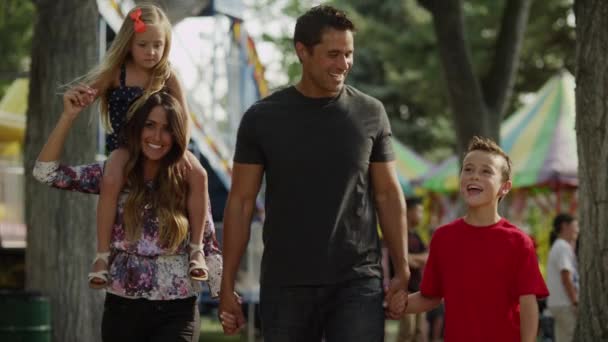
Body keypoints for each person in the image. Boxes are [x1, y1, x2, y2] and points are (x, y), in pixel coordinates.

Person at [218, 5, 409, 341]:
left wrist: (402, 267)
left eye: (349, 54)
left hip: (357, 280)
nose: (344, 64)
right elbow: (241, 202)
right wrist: (227, 281)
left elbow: (388, 195)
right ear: (302, 51)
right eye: (333, 54)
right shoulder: (262, 118)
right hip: (286, 283)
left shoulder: (370, 113)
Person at [33, 89, 223, 341]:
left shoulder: (188, 175)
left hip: (177, 309)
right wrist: (69, 116)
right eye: (150, 126)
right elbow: (46, 173)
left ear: (177, 134)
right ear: (137, 129)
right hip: (123, 308)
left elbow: (207, 240)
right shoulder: (115, 171)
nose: (157, 136)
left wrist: (224, 294)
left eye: (166, 128)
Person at [69, 4, 209, 288]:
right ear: (128, 44)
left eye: (158, 45)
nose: (151, 52)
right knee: (110, 178)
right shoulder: (116, 73)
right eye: (143, 45)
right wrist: (79, 96)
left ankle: (197, 250)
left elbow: (183, 116)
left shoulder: (167, 75)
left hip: (165, 146)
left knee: (200, 175)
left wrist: (181, 152)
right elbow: (88, 92)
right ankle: (102, 255)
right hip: (127, 146)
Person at [405, 136, 549, 342]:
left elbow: (528, 304)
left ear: (505, 187)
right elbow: (431, 296)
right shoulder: (443, 237)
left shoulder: (518, 242)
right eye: (468, 169)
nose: (474, 176)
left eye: (486, 171)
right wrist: (391, 306)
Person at [397, 197, 428, 342]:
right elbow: (402, 259)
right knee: (406, 332)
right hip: (405, 291)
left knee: (419, 332)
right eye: (419, 211)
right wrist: (413, 260)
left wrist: (411, 259)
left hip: (419, 290)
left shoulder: (417, 236)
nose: (421, 215)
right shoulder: (398, 234)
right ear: (408, 212)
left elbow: (428, 258)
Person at [546, 213, 579, 342]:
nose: (578, 230)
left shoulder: (559, 246)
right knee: (570, 337)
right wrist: (575, 301)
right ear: (565, 226)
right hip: (565, 303)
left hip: (557, 303)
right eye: (575, 226)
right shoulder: (563, 247)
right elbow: (566, 277)